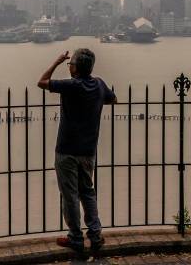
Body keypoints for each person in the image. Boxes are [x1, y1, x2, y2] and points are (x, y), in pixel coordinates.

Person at [37, 48, 116, 252]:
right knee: (87, 192)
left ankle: (76, 238)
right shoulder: (98, 84)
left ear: (75, 69)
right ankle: (96, 236)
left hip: (67, 150)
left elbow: (42, 82)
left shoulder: (71, 86)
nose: (68, 66)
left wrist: (56, 62)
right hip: (88, 151)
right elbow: (112, 98)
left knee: (70, 195)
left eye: (70, 63)